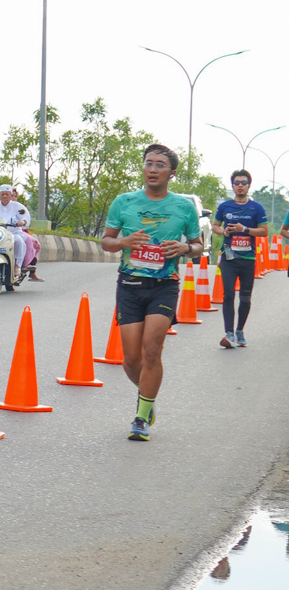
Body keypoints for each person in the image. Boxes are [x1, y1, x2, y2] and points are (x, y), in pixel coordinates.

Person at [102, 143, 202, 442]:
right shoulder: (124, 202)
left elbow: (199, 246)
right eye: (149, 163)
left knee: (151, 349)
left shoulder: (184, 207)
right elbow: (106, 241)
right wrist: (124, 242)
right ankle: (148, 395)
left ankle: (141, 418)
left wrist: (184, 247)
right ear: (143, 167)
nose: (153, 169)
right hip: (130, 285)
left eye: (160, 165)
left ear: (172, 173)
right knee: (131, 360)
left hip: (164, 285)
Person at [212, 168, 266, 347]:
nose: (240, 186)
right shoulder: (225, 207)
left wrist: (245, 229)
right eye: (237, 183)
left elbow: (264, 231)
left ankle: (240, 331)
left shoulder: (256, 208)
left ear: (249, 185)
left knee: (245, 297)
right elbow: (215, 226)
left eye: (244, 183)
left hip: (248, 259)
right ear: (233, 185)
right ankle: (229, 333)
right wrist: (223, 231)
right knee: (228, 294)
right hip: (229, 258)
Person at [0, 183, 37, 279]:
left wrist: (22, 222)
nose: (4, 196)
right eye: (2, 194)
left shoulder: (18, 206)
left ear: (11, 195)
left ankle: (17, 265)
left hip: (13, 233)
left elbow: (25, 218)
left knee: (19, 241)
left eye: (7, 194)